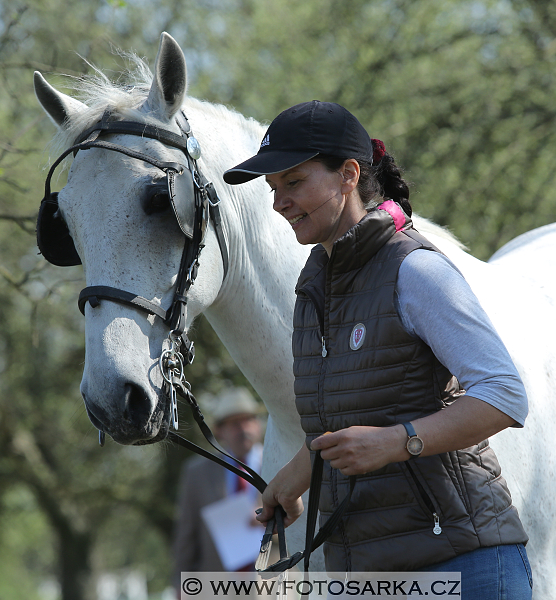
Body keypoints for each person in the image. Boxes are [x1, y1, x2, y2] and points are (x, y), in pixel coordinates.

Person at [223, 101, 532, 597]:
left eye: (294, 182)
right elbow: (350, 417)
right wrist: (296, 475)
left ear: (348, 175)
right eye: (273, 189)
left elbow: (504, 394)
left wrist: (396, 441)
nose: (279, 202)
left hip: (462, 563)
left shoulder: (415, 271)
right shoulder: (312, 291)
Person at [172, 387, 265, 590]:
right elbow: (187, 534)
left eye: (248, 420)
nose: (244, 429)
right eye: (235, 423)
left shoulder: (282, 465)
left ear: (258, 424)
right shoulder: (196, 473)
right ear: (219, 431)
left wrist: (269, 520)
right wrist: (180, 585)